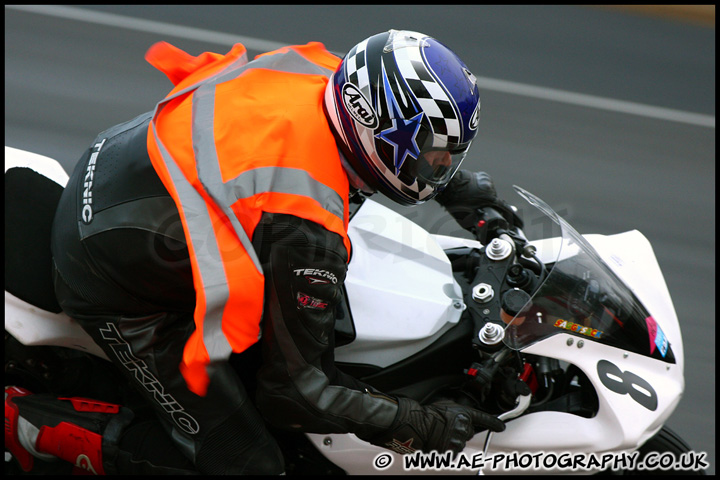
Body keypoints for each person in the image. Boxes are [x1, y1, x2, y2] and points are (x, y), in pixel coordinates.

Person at [5, 29, 520, 475]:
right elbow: (295, 393)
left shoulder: (327, 78)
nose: (439, 167)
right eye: (433, 155)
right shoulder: (306, 222)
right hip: (107, 272)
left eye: (449, 156)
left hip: (124, 175)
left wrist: (471, 198)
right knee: (249, 463)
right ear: (374, 128)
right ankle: (28, 425)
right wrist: (421, 425)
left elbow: (396, 142)